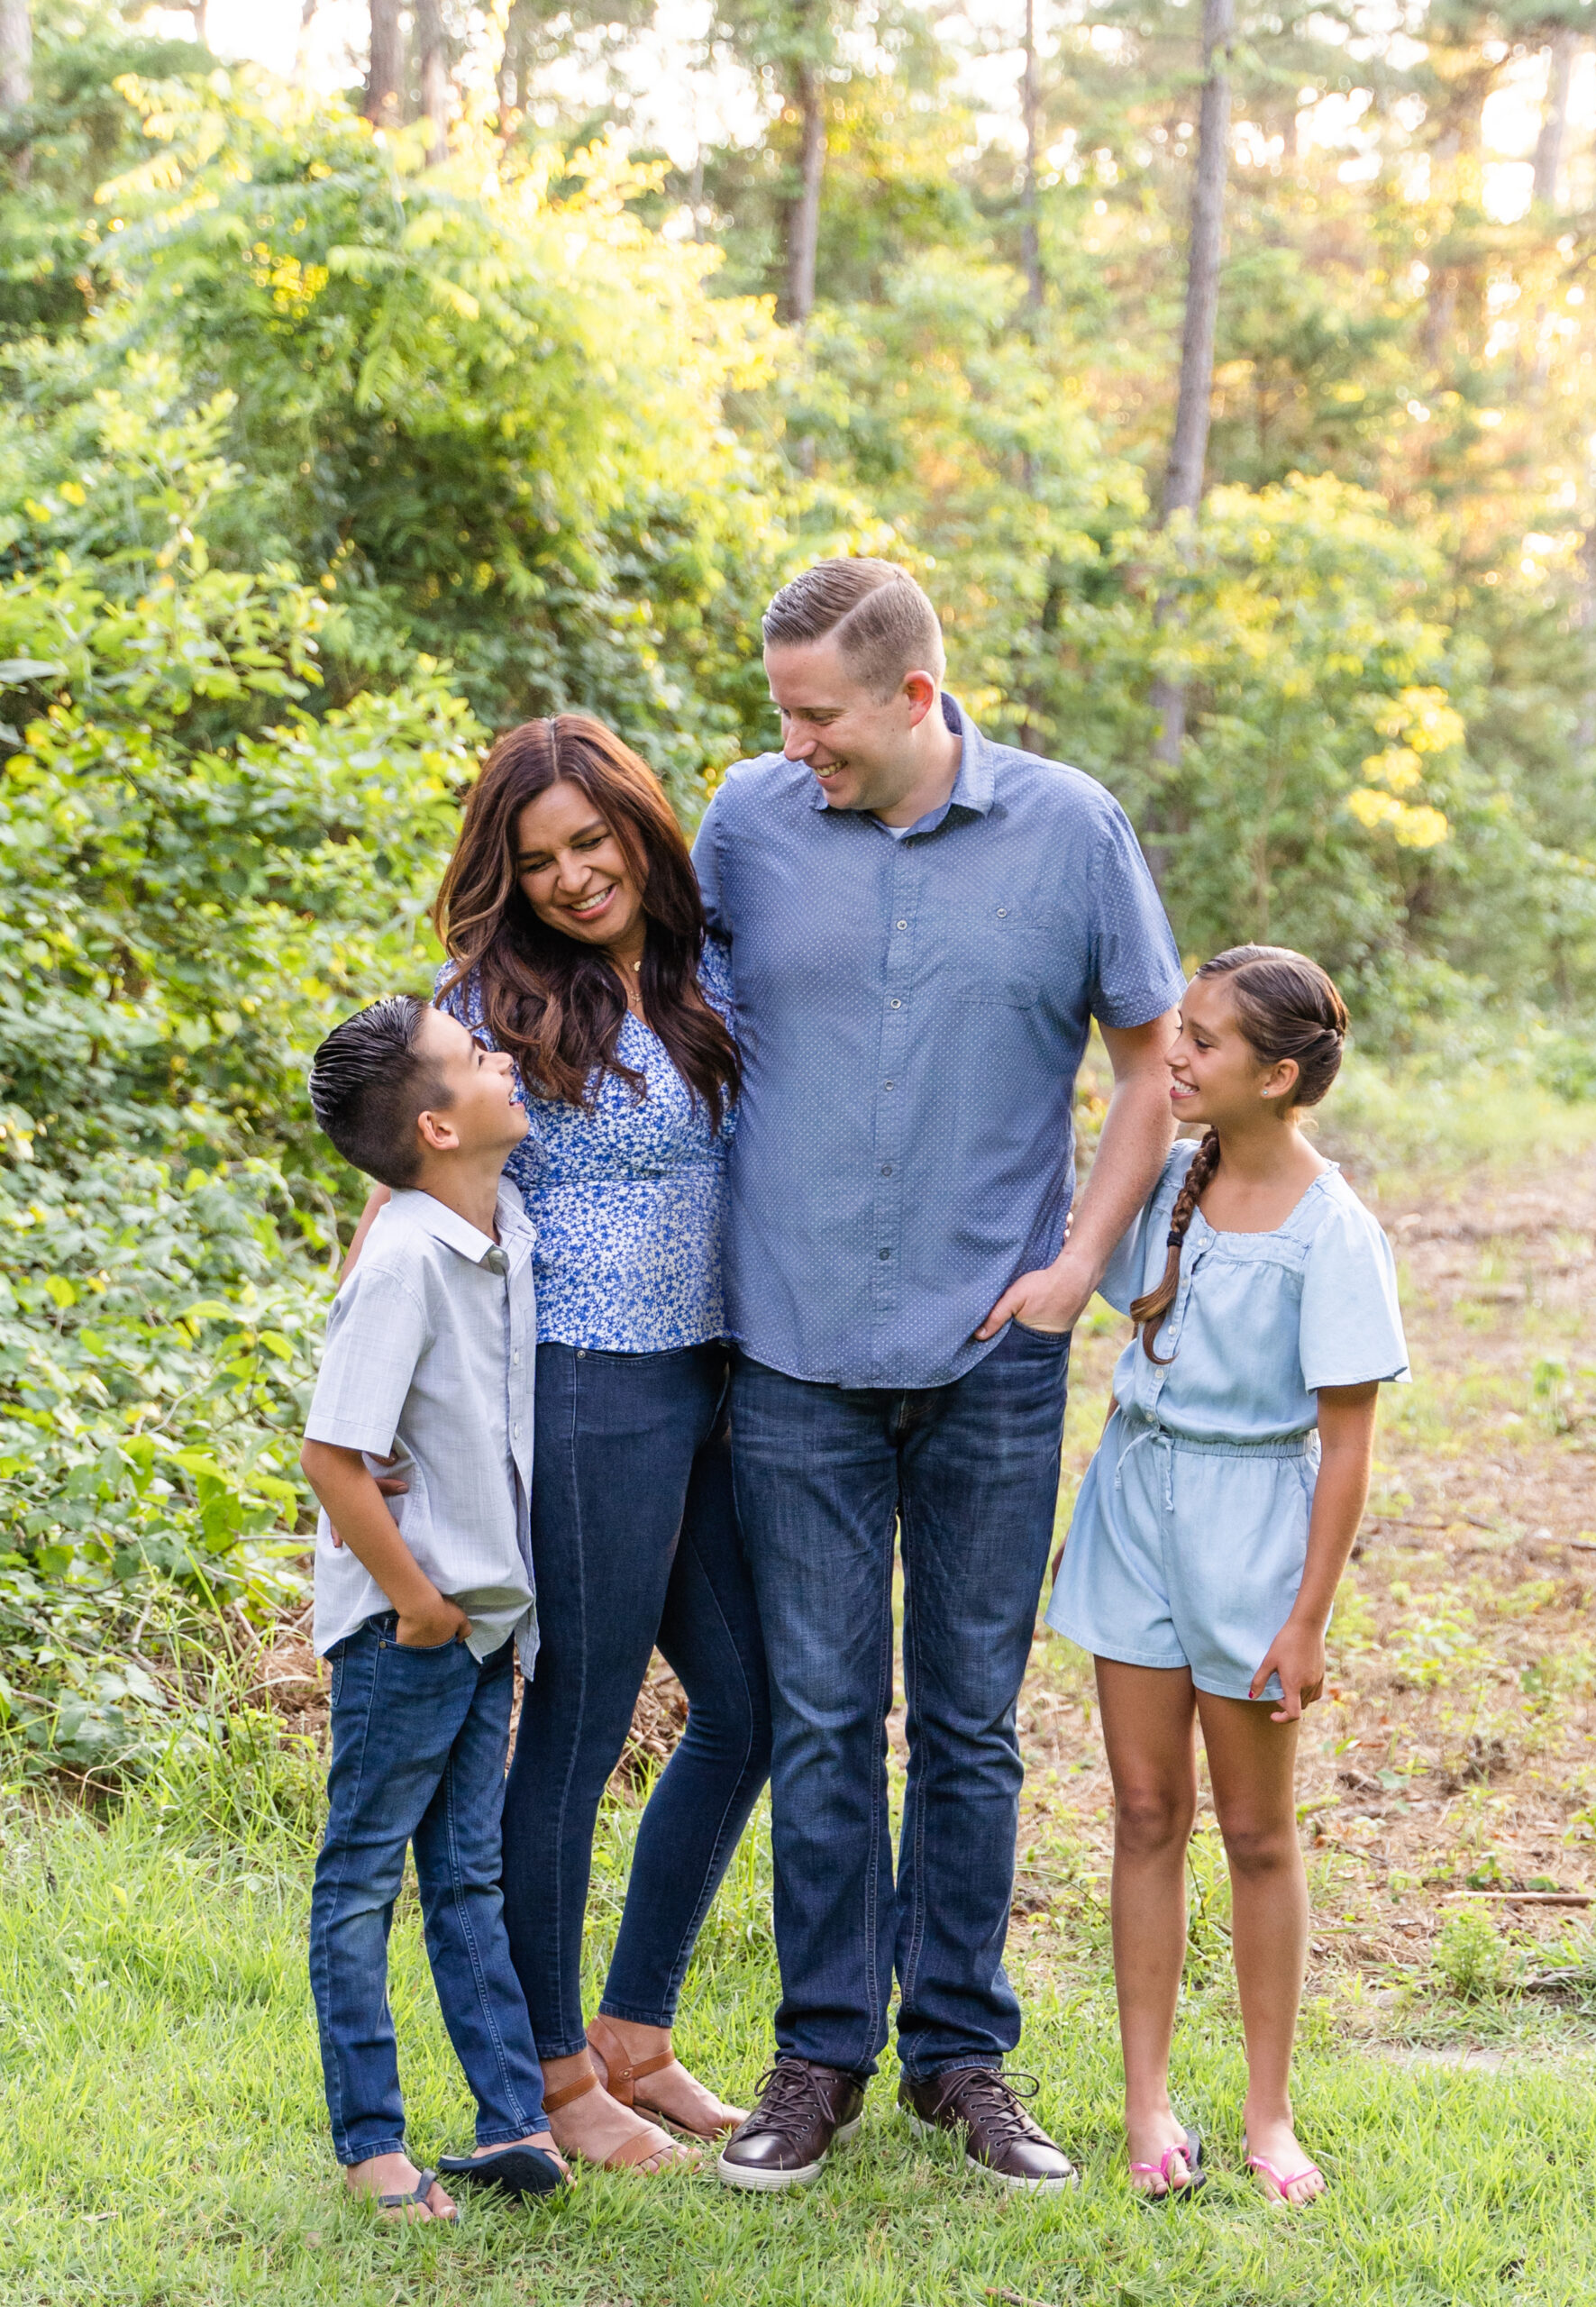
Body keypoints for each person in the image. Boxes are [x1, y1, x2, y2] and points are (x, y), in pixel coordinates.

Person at [692, 558, 1188, 2194]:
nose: (790, 742)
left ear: (912, 697)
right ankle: (819, 2055)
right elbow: (661, 1032)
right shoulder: (747, 824)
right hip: (793, 1349)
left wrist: (1072, 1278)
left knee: (969, 1726)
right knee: (826, 1716)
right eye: (778, 711)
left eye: (813, 712)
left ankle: (959, 2055)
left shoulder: (1070, 829)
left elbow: (1148, 1070)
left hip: (993, 1354)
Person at [348, 715, 774, 2174]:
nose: (573, 878)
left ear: (640, 828)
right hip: (585, 1384)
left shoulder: (707, 965)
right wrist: (372, 1406)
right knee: (581, 1731)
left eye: (592, 842)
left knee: (753, 1702)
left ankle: (637, 2034)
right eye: (538, 862)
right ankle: (550, 2072)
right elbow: (405, 1198)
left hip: (715, 1374)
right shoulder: (489, 1003)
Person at [1045, 945, 1409, 2209]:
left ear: (1282, 1074)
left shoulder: (1332, 1231)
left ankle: (1267, 2115)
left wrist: (1305, 1620)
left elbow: (1348, 1441)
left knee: (1256, 1832)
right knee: (1145, 1815)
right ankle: (1146, 2106)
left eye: (1202, 1042)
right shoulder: (1165, 1188)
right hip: (1134, 1506)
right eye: (1179, 1032)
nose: (1176, 1056)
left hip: (1255, 1530)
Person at [301, 994, 569, 2222]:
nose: (502, 1059)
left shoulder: (493, 1220)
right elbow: (333, 1457)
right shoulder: (404, 1260)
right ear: (436, 1125)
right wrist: (415, 1605)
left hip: (485, 1619)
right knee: (361, 1879)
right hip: (413, 1628)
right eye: (475, 1059)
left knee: (466, 1878)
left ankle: (514, 2125)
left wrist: (479, 1614)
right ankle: (371, 2145)